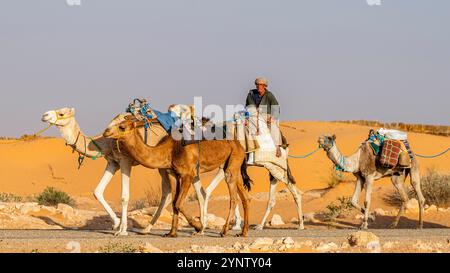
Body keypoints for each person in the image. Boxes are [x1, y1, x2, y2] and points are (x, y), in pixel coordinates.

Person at [245, 77, 283, 157]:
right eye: (257, 84)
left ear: (265, 86)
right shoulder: (251, 94)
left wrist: (273, 117)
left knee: (273, 127)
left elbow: (275, 107)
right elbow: (249, 106)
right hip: (253, 116)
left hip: (267, 116)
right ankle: (250, 149)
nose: (259, 86)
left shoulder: (269, 95)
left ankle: (277, 147)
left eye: (261, 85)